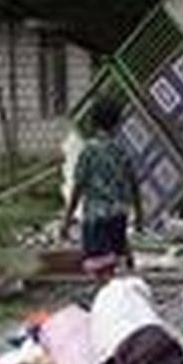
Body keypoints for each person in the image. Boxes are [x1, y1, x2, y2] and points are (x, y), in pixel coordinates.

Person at [61, 98, 143, 277]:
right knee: (117, 261)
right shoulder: (122, 150)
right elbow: (134, 184)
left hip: (95, 218)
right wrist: (139, 215)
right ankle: (120, 289)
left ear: (93, 121)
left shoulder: (88, 151)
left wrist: (67, 219)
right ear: (118, 121)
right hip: (119, 215)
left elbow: (78, 186)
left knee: (100, 268)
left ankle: (107, 297)